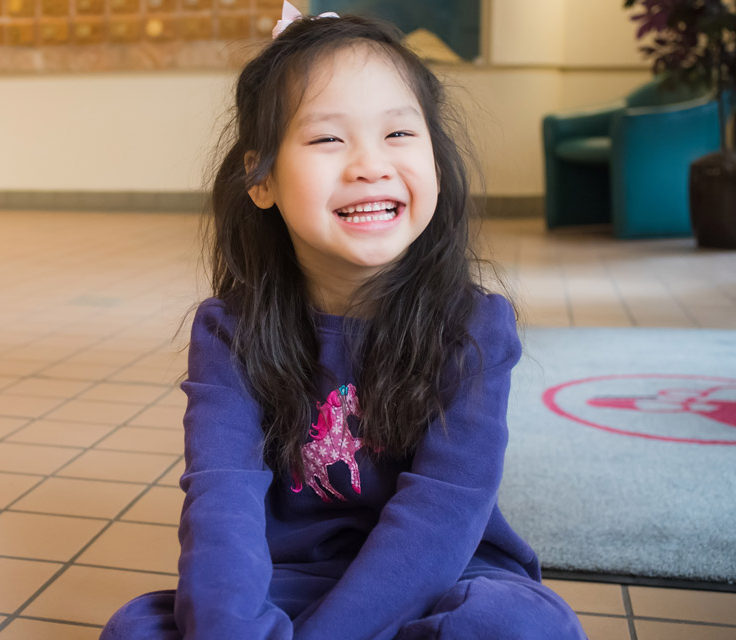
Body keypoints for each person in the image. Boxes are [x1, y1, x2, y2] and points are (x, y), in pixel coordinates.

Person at [101, 4, 587, 639]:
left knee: (517, 625)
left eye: (399, 134)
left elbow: (443, 515)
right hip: (295, 577)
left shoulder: (474, 325)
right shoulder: (229, 331)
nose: (369, 165)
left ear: (436, 161)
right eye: (328, 138)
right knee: (135, 629)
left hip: (447, 577)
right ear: (261, 177)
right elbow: (223, 503)